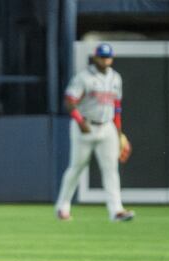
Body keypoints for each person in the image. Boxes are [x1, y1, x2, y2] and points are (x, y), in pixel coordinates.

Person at [55, 43, 135, 222]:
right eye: (101, 56)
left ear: (111, 58)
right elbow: (69, 101)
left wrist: (119, 133)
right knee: (77, 167)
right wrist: (79, 119)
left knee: (111, 169)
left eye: (107, 57)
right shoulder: (84, 77)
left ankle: (116, 211)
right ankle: (63, 206)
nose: (105, 60)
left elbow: (117, 107)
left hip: (107, 126)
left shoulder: (116, 78)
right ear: (95, 57)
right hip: (85, 125)